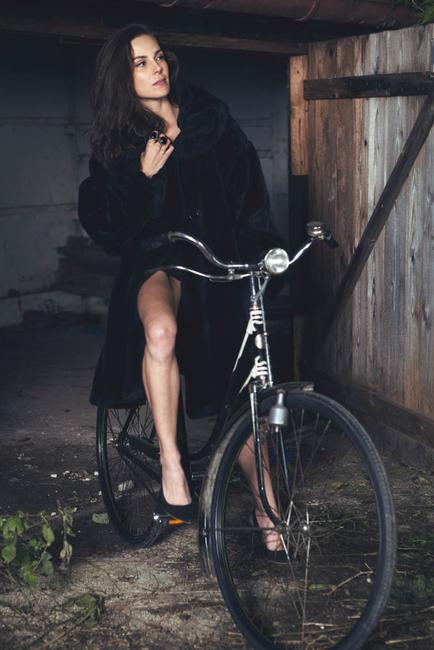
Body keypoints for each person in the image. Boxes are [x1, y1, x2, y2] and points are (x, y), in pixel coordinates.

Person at [78, 23, 286, 557]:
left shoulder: (210, 120)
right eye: (140, 63)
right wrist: (140, 177)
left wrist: (259, 254)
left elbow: (250, 197)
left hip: (217, 264)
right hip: (158, 263)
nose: (156, 69)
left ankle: (266, 504)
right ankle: (172, 463)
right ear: (122, 77)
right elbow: (107, 227)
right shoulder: (121, 142)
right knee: (161, 331)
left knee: (241, 389)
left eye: (159, 57)